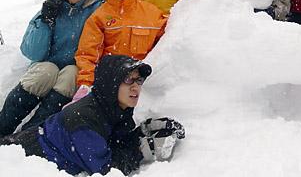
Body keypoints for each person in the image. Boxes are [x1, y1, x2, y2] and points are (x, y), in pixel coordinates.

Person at [0, 55, 185, 175]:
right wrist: (141, 151)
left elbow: (112, 142)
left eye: (139, 80)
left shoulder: (112, 106)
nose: (136, 86)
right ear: (110, 84)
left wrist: (139, 133)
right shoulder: (84, 120)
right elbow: (104, 170)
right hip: (19, 158)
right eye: (128, 80)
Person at [0, 0, 101, 136]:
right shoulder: (50, 9)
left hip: (77, 68)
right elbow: (33, 52)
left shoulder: (96, 8)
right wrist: (46, 21)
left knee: (71, 73)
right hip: (47, 66)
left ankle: (30, 132)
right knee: (46, 71)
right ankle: (3, 125)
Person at [74, 0, 167, 98]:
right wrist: (87, 84)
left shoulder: (152, 13)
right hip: (111, 82)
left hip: (144, 83)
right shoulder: (99, 17)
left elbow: (170, 41)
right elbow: (87, 55)